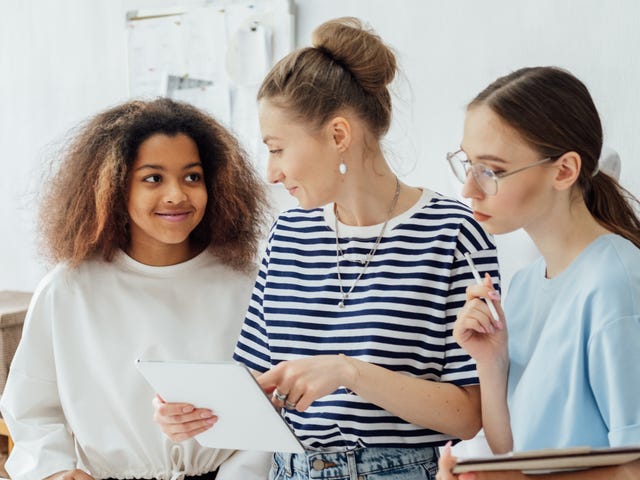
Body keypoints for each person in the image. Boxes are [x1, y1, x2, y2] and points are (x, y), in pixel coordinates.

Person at [154, 17, 500, 480]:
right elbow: (258, 387)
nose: (271, 173)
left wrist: (349, 371)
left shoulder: (452, 232)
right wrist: (196, 412)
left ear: (338, 135)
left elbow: (472, 413)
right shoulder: (289, 235)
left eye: (277, 148)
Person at [0, 98, 273, 480]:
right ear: (113, 187)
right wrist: (56, 471)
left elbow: (270, 412)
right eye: (153, 178)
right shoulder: (69, 289)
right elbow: (31, 408)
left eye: (192, 176)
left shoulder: (246, 283)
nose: (177, 194)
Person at [435, 66, 640, 480]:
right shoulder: (526, 285)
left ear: (564, 170)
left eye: (491, 171)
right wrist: (491, 365)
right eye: (468, 165)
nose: (468, 190)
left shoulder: (618, 288)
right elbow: (509, 449)